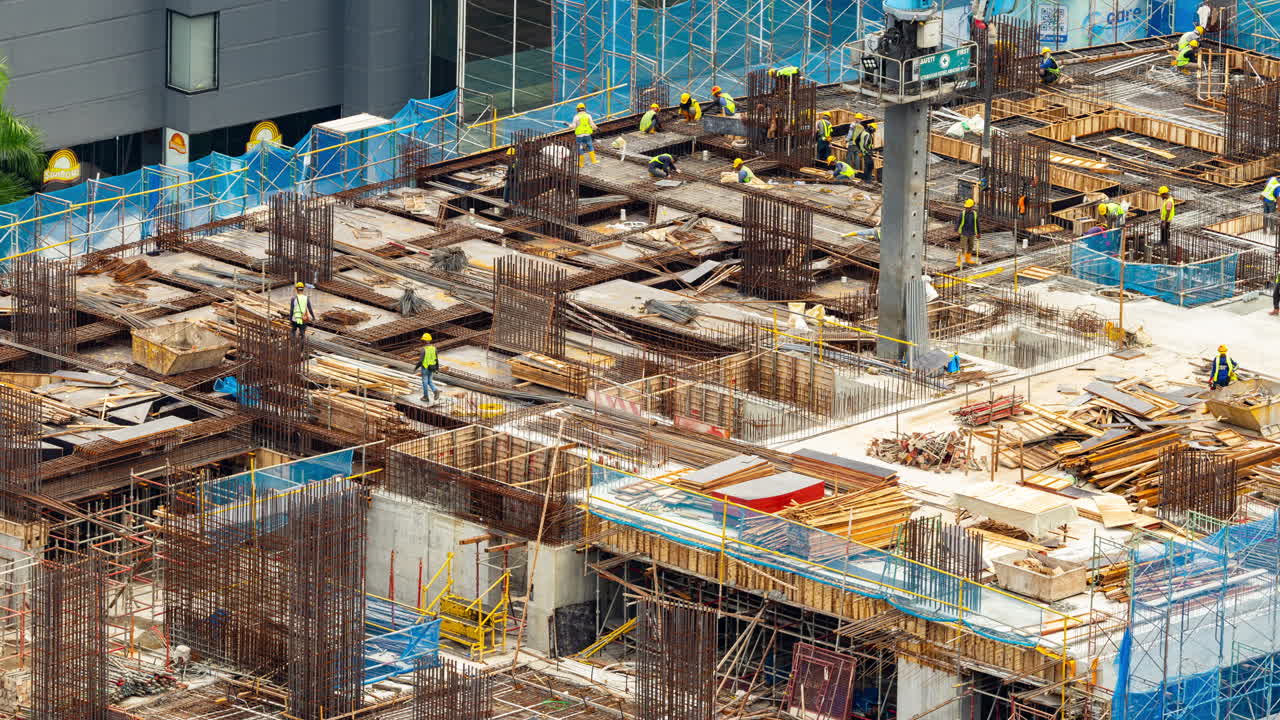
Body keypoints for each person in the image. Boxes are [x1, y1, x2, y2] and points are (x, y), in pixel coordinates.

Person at [568, 102, 599, 167]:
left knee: (580, 147)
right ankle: (594, 161)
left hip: (579, 135)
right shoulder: (588, 115)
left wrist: (569, 126)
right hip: (587, 134)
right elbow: (592, 124)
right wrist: (596, 128)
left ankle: (581, 164)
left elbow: (573, 126)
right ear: (584, 109)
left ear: (577, 109)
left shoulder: (576, 117)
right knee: (590, 145)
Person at [956, 199, 980, 267]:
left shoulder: (974, 214)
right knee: (962, 247)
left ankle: (967, 259)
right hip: (964, 233)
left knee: (970, 246)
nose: (966, 208)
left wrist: (978, 233)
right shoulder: (962, 214)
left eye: (968, 207)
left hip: (972, 233)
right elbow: (958, 222)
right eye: (966, 207)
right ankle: (959, 261)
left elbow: (977, 224)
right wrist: (957, 230)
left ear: (972, 207)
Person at [419, 333, 441, 405]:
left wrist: (417, 367)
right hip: (432, 367)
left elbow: (421, 360)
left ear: (424, 341)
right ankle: (435, 390)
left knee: (425, 382)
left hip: (425, 367)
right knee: (429, 381)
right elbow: (436, 359)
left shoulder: (423, 349)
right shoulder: (434, 348)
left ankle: (426, 397)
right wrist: (437, 368)